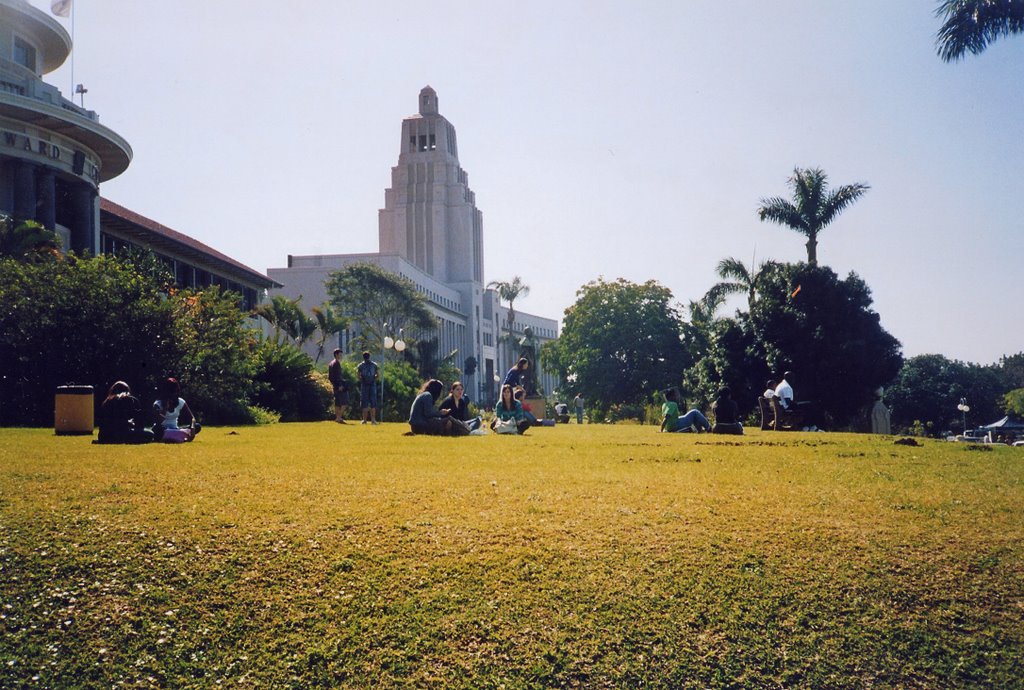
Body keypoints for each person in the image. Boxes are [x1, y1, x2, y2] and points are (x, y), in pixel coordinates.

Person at [152, 377, 200, 443]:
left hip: (175, 428)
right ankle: (177, 436)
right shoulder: (157, 404)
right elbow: (158, 422)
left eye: (175, 391)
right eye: (171, 392)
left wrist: (192, 428)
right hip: (162, 429)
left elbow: (192, 418)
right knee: (158, 430)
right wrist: (165, 409)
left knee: (197, 426)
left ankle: (173, 436)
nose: (174, 394)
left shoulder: (181, 402)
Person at [357, 351, 379, 425]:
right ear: (369, 356)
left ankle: (365, 420)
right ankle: (373, 420)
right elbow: (377, 375)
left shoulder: (360, 365)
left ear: (363, 357)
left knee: (364, 402)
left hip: (364, 385)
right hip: (372, 384)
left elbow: (358, 375)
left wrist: (362, 380)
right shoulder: (374, 365)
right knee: (373, 402)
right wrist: (373, 379)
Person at [327, 348, 349, 424]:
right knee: (344, 402)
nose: (341, 356)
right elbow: (337, 376)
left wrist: (334, 384)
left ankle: (338, 417)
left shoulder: (331, 363)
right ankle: (339, 417)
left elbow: (330, 377)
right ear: (336, 354)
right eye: (340, 354)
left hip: (334, 385)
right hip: (338, 385)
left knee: (338, 403)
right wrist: (339, 385)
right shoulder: (336, 363)